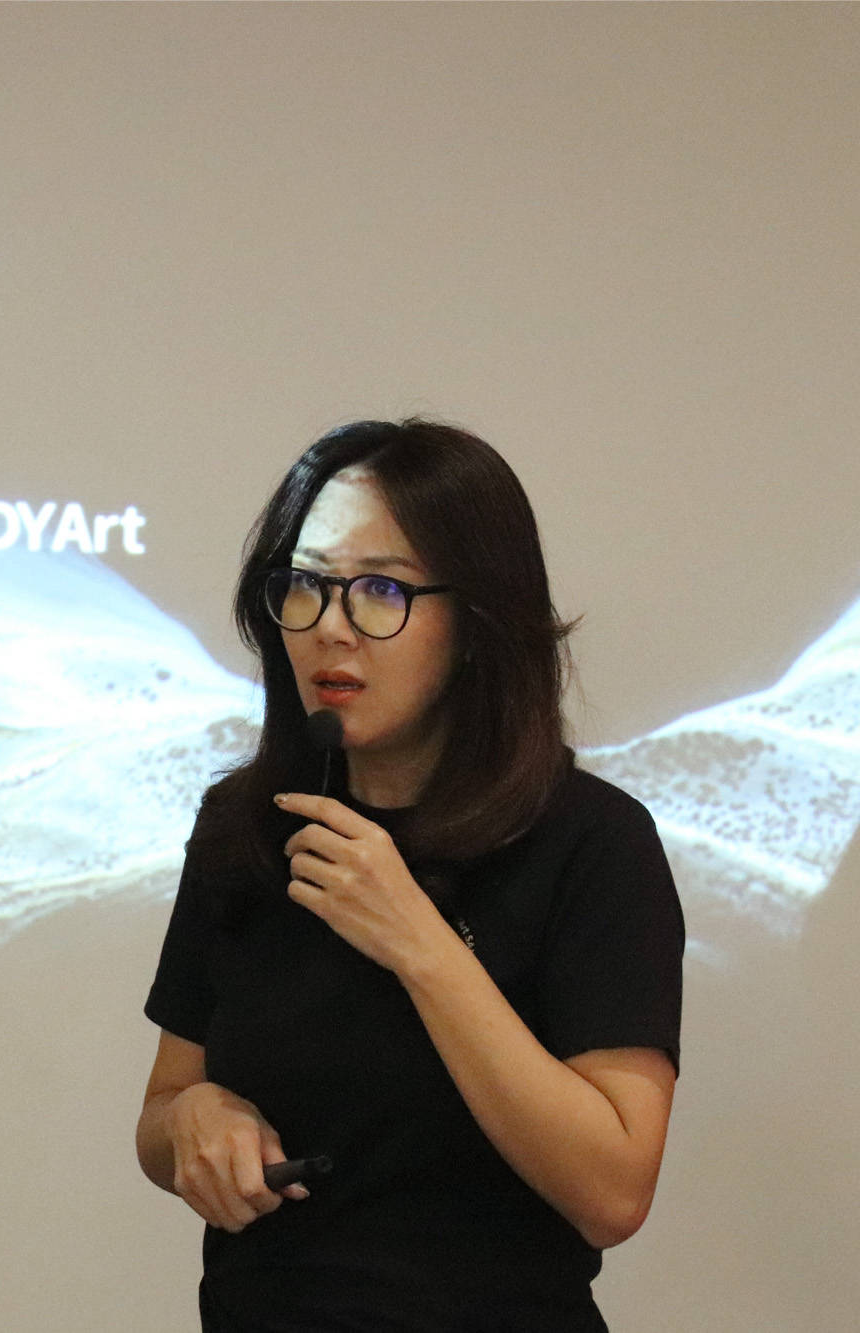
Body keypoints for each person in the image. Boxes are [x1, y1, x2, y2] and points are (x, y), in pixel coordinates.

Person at [134, 419, 683, 1331]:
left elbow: (614, 1192)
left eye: (380, 590)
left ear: (477, 622)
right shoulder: (245, 827)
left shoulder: (591, 843)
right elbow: (159, 1113)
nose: (330, 627)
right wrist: (195, 1115)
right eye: (306, 585)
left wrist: (418, 942)